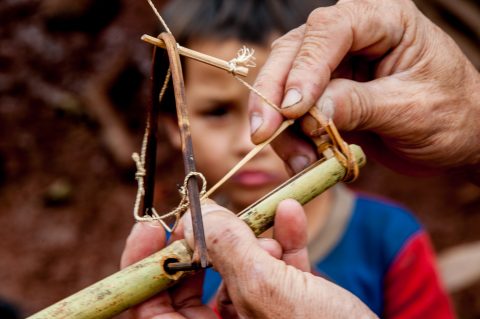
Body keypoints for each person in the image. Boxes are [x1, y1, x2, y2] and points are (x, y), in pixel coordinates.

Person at [121, 0, 480, 317]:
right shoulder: (172, 256)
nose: (249, 142)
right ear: (174, 126)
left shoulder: (390, 238)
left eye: (277, 113)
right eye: (217, 112)